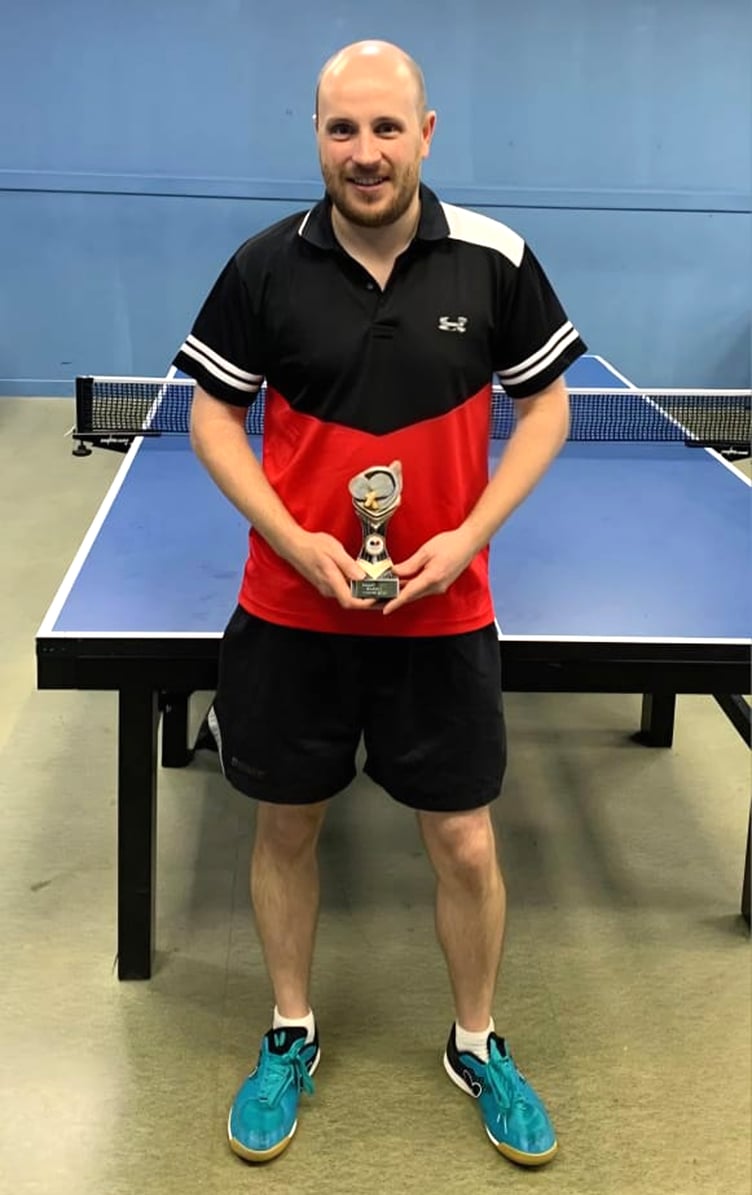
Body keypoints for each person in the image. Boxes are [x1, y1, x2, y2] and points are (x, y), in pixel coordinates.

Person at [175, 39, 586, 1168]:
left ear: (427, 133)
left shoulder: (495, 259)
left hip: (441, 619)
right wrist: (290, 536)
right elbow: (212, 416)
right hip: (290, 610)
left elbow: (546, 407)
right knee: (285, 823)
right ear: (315, 134)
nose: (363, 153)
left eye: (384, 129)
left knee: (461, 839)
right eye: (341, 129)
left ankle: (474, 1040)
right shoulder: (261, 266)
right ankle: (289, 1031)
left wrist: (468, 534)